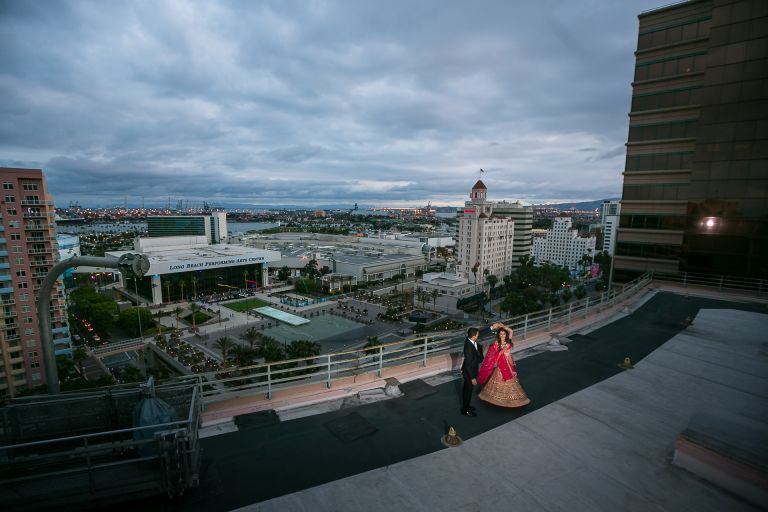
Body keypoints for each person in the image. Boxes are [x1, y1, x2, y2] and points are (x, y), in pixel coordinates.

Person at [477, 322, 530, 408]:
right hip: (501, 365)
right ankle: (497, 398)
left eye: (504, 334)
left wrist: (502, 326)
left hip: (509, 363)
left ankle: (512, 398)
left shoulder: (508, 340)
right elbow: (493, 355)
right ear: (498, 335)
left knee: (511, 381)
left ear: (506, 334)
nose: (502, 335)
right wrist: (497, 357)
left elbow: (511, 331)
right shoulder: (496, 343)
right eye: (501, 334)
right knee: (502, 379)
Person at [461, 327, 484, 416]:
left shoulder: (470, 339)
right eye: (478, 334)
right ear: (474, 336)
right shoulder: (468, 348)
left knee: (468, 391)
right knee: (467, 392)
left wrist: (492, 328)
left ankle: (467, 406)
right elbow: (468, 364)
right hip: (469, 373)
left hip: (471, 370)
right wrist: (472, 378)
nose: (479, 335)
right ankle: (465, 410)